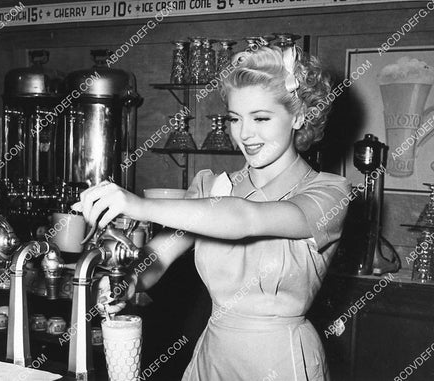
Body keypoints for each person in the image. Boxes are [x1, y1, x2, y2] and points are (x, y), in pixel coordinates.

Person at [72, 45, 351, 381]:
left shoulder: (328, 193)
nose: (244, 134)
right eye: (235, 118)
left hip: (281, 360)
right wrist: (126, 283)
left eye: (261, 118)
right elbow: (155, 258)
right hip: (213, 358)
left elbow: (245, 219)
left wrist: (139, 204)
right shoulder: (212, 187)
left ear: (299, 116)